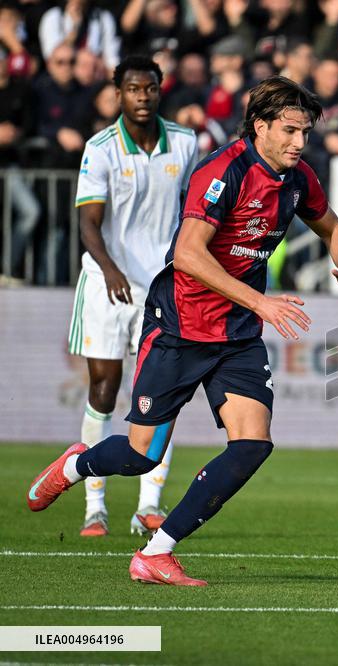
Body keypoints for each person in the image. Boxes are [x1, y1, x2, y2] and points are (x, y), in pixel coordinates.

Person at [27, 75, 338, 585]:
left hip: (235, 336)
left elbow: (335, 230)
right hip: (179, 328)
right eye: (291, 131)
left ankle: (157, 552)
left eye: (306, 133)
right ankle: (77, 465)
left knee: (253, 444)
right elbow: (188, 255)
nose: (301, 143)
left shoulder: (299, 179)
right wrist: (261, 301)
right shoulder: (223, 170)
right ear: (260, 126)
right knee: (139, 456)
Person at [68, 55, 198, 538]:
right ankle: (94, 506)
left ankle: (149, 504)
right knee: (103, 392)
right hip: (108, 285)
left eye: (150, 88)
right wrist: (109, 268)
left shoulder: (185, 143)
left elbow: (195, 212)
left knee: (161, 396)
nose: (142, 96)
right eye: (132, 88)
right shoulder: (100, 148)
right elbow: (88, 219)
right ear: (117, 93)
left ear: (160, 91)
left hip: (165, 287)